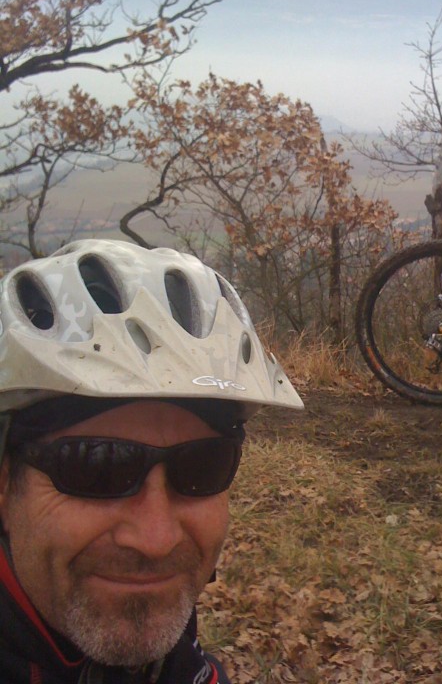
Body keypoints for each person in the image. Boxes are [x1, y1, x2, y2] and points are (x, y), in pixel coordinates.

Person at [0, 239, 303, 684]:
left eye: (203, 467)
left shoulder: (154, 631)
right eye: (95, 468)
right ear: (6, 483)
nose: (156, 540)